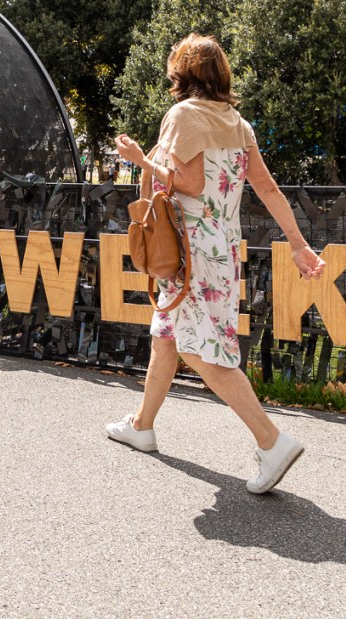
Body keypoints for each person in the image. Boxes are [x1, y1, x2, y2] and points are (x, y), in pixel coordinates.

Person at [106, 33, 325, 495]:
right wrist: (298, 244)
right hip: (223, 249)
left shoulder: (183, 115)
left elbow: (186, 182)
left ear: (181, 75)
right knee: (168, 335)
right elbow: (267, 189)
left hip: (191, 253)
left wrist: (139, 160)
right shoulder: (237, 122)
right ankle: (143, 425)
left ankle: (272, 441)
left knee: (201, 349)